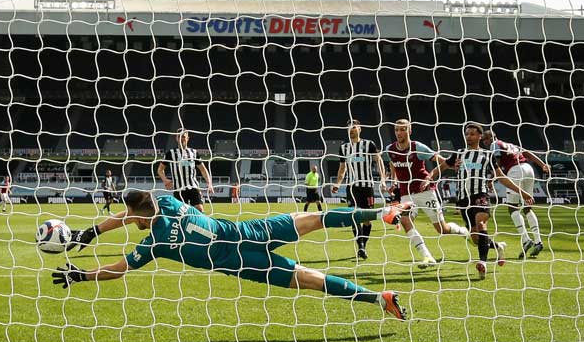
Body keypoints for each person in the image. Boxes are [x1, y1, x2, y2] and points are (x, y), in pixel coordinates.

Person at [56, 190, 411, 321]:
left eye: (130, 215)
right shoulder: (164, 200)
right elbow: (130, 211)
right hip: (249, 232)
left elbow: (119, 269)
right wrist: (95, 231)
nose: (126, 219)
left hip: (244, 263)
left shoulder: (155, 244)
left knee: (310, 280)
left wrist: (81, 275)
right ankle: (382, 213)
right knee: (316, 219)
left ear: (139, 214)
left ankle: (380, 299)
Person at [425, 123, 533, 278]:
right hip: (463, 199)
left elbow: (501, 177)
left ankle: (482, 262)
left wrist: (522, 192)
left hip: (480, 195)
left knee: (481, 224)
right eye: (467, 134)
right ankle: (497, 247)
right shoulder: (459, 154)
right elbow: (440, 167)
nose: (469, 137)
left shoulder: (487, 155)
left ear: (479, 136)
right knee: (475, 238)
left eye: (472, 134)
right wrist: (429, 177)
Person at [381, 119, 469, 268]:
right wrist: (394, 181)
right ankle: (427, 256)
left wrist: (452, 165)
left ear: (409, 131)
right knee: (405, 220)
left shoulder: (417, 147)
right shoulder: (390, 149)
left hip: (425, 191)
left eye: (402, 129)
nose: (399, 133)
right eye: (396, 130)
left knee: (442, 229)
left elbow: (440, 159)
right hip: (406, 194)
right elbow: (392, 163)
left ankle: (463, 231)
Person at [481, 130, 550, 258]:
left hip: (515, 170)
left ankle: (526, 240)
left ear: (492, 137)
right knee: (527, 207)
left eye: (486, 139)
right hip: (529, 169)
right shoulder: (510, 144)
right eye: (483, 140)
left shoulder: (494, 145)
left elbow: (498, 162)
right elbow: (527, 153)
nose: (485, 142)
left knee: (512, 208)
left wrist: (491, 179)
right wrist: (542, 164)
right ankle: (538, 241)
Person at [332, 119, 386, 260]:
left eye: (354, 127)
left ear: (360, 129)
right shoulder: (343, 148)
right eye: (349, 127)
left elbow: (378, 160)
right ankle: (361, 246)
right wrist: (338, 183)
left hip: (367, 186)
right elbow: (342, 169)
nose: (351, 129)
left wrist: (383, 179)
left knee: (367, 219)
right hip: (352, 187)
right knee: (354, 217)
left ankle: (363, 245)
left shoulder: (369, 144)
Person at [157, 129, 214, 212]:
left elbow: (203, 170)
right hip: (179, 189)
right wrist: (165, 180)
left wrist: (209, 183)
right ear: (176, 138)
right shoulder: (170, 153)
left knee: (199, 209)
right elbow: (160, 170)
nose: (181, 138)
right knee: (182, 213)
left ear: (188, 138)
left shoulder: (194, 152)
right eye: (179, 136)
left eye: (183, 137)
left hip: (193, 186)